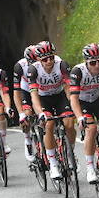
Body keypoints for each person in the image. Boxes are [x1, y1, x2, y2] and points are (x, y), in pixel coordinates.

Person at [27, 40, 74, 180]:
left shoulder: (61, 65)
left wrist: (73, 106)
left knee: (70, 122)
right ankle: (53, 163)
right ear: (39, 60)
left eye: (51, 57)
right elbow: (34, 96)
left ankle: (69, 150)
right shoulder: (33, 70)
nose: (49, 61)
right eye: (45, 59)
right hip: (43, 99)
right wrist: (40, 113)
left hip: (59, 96)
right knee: (49, 124)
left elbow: (68, 89)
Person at [68, 43, 99, 184]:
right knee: (91, 129)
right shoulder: (78, 72)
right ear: (86, 62)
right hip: (83, 102)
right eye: (92, 62)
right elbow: (73, 98)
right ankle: (90, 167)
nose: (97, 65)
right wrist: (79, 117)